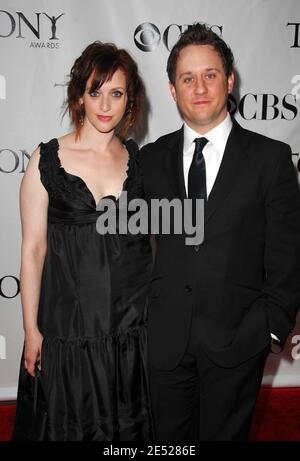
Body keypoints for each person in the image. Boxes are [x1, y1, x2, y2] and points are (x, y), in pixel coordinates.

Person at [140, 23, 300, 441]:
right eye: (187, 78)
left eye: (210, 75)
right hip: (164, 343)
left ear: (229, 80)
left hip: (238, 341)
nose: (199, 88)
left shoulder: (271, 158)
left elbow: (289, 252)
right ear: (172, 89)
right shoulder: (150, 160)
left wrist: (268, 327)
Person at [12, 42, 153, 441]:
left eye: (117, 93)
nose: (105, 104)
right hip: (67, 328)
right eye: (96, 91)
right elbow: (33, 250)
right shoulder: (46, 159)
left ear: (130, 100)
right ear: (79, 95)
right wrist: (31, 330)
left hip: (130, 328)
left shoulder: (138, 159)